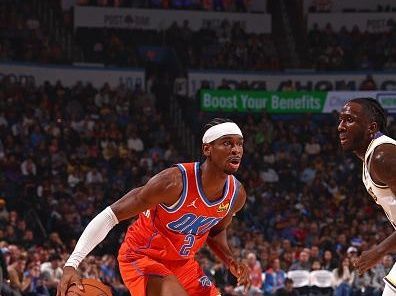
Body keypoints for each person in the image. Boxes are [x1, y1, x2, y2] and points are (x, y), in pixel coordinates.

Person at [58, 118, 250, 296]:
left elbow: (216, 232)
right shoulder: (173, 182)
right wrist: (71, 264)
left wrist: (231, 261)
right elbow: (111, 215)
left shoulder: (236, 195)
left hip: (184, 264)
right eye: (227, 143)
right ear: (207, 149)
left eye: (239, 144)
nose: (236, 150)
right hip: (142, 257)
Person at [338, 98, 396, 296]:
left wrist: (379, 252)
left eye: (349, 120)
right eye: (341, 120)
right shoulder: (372, 157)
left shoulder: (383, 156)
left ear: (371, 127)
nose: (340, 127)